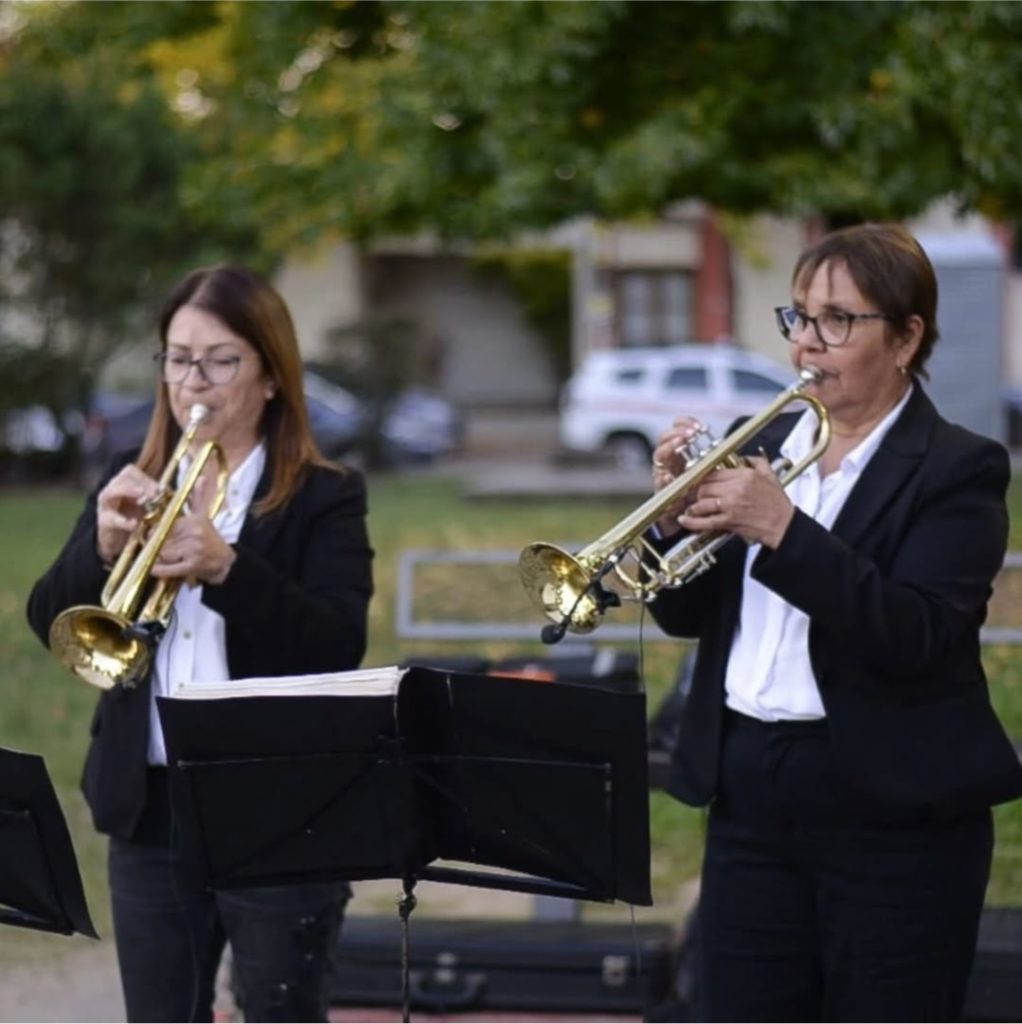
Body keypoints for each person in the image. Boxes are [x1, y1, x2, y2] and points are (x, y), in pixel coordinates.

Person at [646, 223, 1022, 1022]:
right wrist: (675, 522)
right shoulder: (768, 447)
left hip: (893, 818)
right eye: (800, 318)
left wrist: (784, 530)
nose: (806, 347)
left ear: (907, 336)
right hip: (749, 799)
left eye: (838, 321)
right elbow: (684, 616)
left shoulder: (961, 468)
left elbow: (917, 634)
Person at [27, 264, 374, 1022]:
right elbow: (47, 616)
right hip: (151, 811)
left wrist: (228, 569)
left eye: (221, 360)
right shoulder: (134, 482)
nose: (195, 381)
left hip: (281, 813)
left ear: (272, 376)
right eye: (179, 359)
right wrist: (104, 548)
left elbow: (335, 644)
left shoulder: (326, 496)